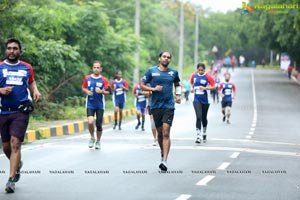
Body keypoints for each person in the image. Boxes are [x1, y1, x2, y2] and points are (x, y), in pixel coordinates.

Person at [0, 38, 41, 193]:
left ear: (20, 51)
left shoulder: (27, 67)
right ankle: (17, 163)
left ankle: (11, 179)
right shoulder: (0, 67)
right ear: (5, 51)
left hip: (21, 111)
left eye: (15, 48)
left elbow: (31, 82)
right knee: (6, 147)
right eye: (9, 48)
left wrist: (35, 91)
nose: (12, 51)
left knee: (15, 143)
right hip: (3, 111)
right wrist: (1, 90)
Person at [140, 51, 181, 171]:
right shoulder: (151, 71)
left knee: (166, 132)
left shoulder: (173, 72)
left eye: (168, 57)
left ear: (170, 60)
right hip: (155, 106)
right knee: (159, 133)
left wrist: (178, 95)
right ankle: (163, 153)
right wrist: (153, 89)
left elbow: (177, 84)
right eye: (164, 57)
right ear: (159, 58)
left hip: (169, 105)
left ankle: (165, 161)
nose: (166, 59)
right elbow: (142, 85)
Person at [82, 61, 110, 150]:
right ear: (92, 68)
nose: (96, 69)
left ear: (101, 69)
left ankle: (98, 141)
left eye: (98, 68)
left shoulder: (104, 80)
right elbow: (83, 87)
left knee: (98, 124)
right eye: (95, 67)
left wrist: (102, 91)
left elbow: (109, 92)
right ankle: (92, 137)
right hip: (90, 103)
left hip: (100, 105)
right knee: (90, 122)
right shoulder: (87, 78)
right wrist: (87, 91)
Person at [190, 63, 215, 144]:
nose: (200, 71)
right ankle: (198, 136)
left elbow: (214, 86)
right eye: (199, 70)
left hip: (205, 100)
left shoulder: (208, 77)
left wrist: (205, 88)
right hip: (196, 99)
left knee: (204, 118)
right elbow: (191, 83)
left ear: (204, 69)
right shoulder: (194, 76)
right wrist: (191, 88)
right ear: (197, 69)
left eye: (202, 70)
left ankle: (204, 131)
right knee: (198, 116)